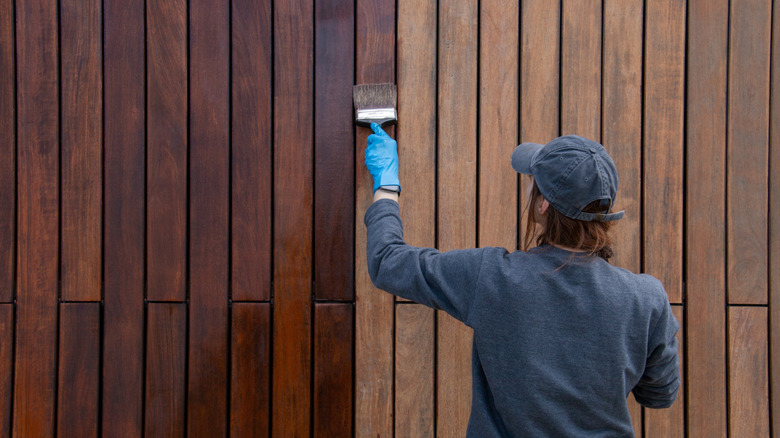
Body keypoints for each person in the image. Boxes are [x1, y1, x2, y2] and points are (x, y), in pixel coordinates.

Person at [363, 123, 680, 437]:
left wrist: (386, 185)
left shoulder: (492, 277)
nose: (529, 189)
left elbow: (387, 261)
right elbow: (660, 394)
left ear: (543, 205)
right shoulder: (647, 298)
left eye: (533, 183)